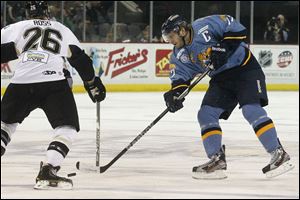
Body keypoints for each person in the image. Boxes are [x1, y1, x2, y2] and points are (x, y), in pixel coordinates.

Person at [161, 14, 294, 179]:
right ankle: (217, 160)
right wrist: (175, 95)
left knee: (250, 109)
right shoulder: (178, 55)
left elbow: (235, 28)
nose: (170, 41)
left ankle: (278, 153)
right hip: (221, 80)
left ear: (181, 30)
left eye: (171, 36)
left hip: (245, 69)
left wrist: (225, 47)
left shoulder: (204, 25)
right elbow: (181, 79)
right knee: (206, 114)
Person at [1, 1, 106, 189]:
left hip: (21, 83)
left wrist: (13, 51)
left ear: (28, 14)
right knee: (67, 127)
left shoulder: (17, 27)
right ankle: (48, 169)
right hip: (53, 84)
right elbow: (78, 58)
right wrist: (92, 83)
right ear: (47, 13)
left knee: (5, 125)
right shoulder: (61, 28)